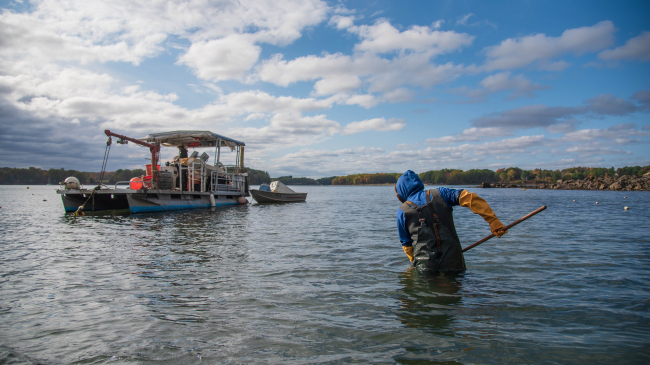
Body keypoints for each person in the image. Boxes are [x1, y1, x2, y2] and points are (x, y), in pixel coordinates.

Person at [395, 170, 508, 271]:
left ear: (402, 191)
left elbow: (407, 245)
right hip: (453, 263)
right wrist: (493, 221)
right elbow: (470, 198)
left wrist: (414, 261)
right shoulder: (442, 194)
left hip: (425, 268)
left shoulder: (402, 211)